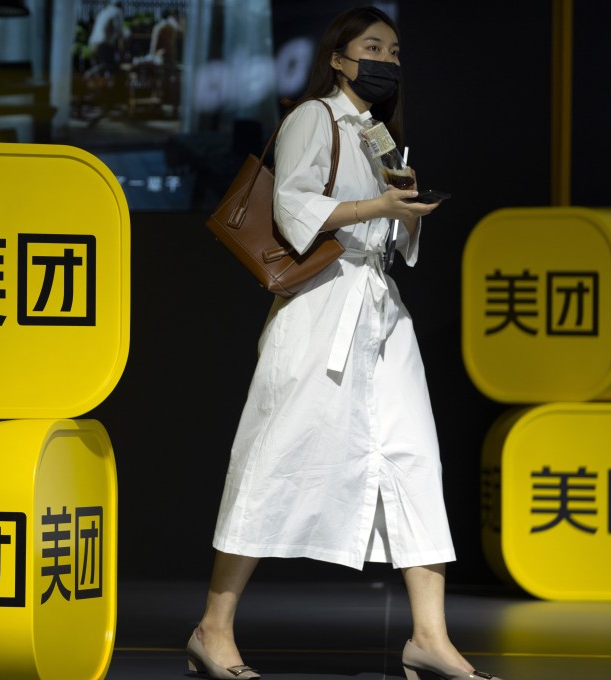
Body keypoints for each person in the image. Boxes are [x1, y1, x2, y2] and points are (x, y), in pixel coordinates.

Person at [186, 7, 503, 680]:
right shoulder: (314, 118)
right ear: (338, 57)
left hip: (382, 313)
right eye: (372, 46)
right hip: (319, 308)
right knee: (271, 458)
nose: (386, 58)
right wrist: (378, 209)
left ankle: (428, 637)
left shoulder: (382, 137)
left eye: (394, 48)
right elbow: (293, 209)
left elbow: (390, 242)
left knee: (415, 459)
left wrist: (404, 212)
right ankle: (213, 628)